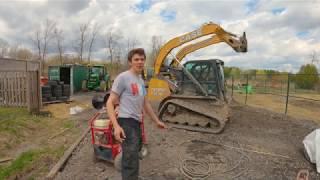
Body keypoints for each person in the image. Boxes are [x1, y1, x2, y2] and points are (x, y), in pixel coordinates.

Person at [106, 48, 167, 180]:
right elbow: (110, 102)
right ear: (130, 62)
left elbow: (146, 104)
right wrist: (116, 126)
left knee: (135, 151)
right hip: (126, 121)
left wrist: (156, 121)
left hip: (136, 122)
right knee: (131, 156)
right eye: (136, 59)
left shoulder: (140, 80)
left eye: (142, 59)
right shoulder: (123, 78)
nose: (140, 62)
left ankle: (131, 175)